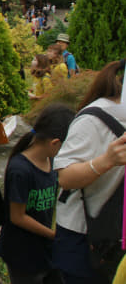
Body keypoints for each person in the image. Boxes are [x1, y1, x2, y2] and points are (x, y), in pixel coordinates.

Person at [52, 60, 126, 284]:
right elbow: (65, 177)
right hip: (85, 239)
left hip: (118, 239)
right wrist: (106, 161)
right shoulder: (94, 118)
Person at [0, 104, 74, 284]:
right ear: (55, 142)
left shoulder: (52, 160)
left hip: (45, 250)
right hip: (23, 254)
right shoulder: (20, 170)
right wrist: (53, 235)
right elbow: (17, 217)